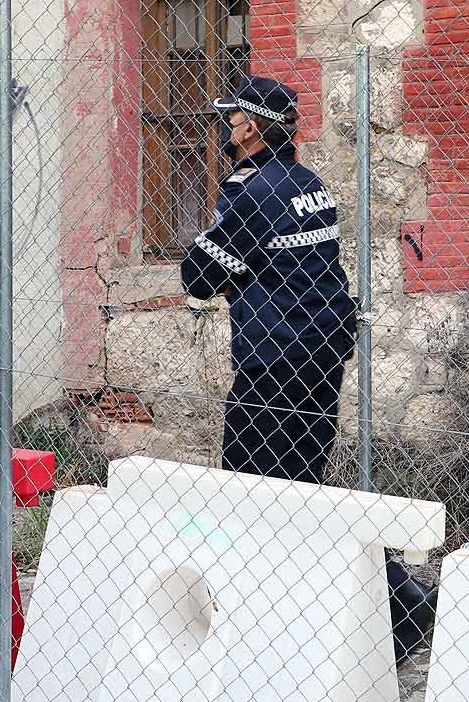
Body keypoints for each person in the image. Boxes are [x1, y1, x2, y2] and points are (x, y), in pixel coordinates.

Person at [180, 75, 435, 665]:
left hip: (273, 358)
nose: (225, 126)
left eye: (231, 117)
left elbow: (198, 277)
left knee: (252, 494)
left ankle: (397, 605)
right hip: (323, 350)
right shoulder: (308, 184)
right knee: (302, 491)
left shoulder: (248, 193)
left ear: (250, 126)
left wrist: (229, 262)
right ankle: (382, 610)